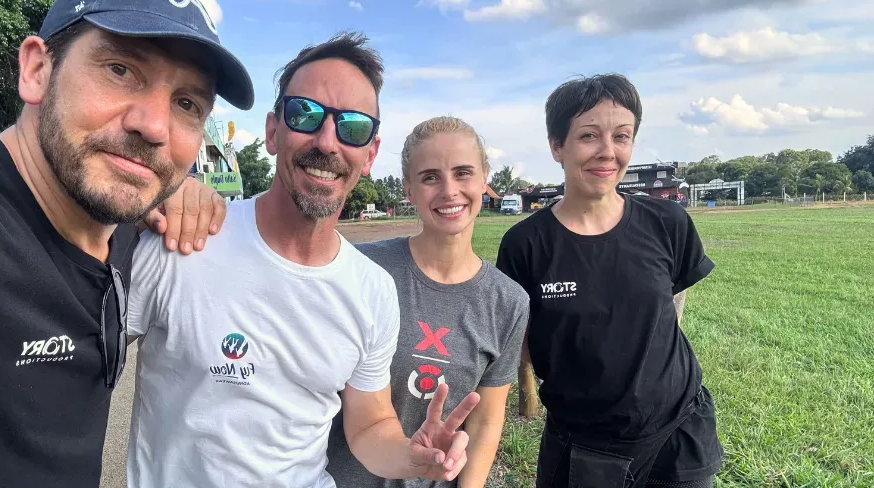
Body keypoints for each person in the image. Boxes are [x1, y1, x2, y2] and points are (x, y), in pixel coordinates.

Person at [0, 0, 254, 487]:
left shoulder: (118, 227)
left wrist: (174, 190)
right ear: (36, 70)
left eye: (186, 103)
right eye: (120, 70)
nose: (154, 126)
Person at [126, 33, 480, 488]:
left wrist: (413, 456)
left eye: (352, 127)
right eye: (306, 115)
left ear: (369, 154)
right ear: (273, 131)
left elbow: (369, 425)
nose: (328, 142)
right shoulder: (185, 237)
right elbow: (84, 369)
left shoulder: (371, 289)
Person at [495, 74, 723, 488]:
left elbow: (671, 309)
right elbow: (520, 346)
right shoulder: (525, 244)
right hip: (583, 446)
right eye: (588, 136)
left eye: (622, 136)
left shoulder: (667, 223)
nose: (608, 152)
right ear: (556, 146)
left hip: (678, 434)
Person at [326, 116, 530, 488]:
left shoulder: (508, 302)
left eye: (464, 173)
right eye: (430, 177)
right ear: (409, 186)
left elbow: (485, 421)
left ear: (485, 178)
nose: (449, 190)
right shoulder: (362, 267)